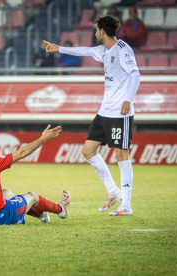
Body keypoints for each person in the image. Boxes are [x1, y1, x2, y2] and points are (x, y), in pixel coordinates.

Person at [44, 15, 140, 216]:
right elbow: (84, 51)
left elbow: (135, 75)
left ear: (103, 31)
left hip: (120, 113)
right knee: (88, 151)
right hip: (104, 112)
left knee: (121, 155)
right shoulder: (104, 50)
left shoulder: (123, 50)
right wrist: (58, 48)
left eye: (97, 30)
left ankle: (127, 205)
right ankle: (114, 191)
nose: (95, 33)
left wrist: (127, 100)